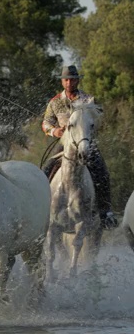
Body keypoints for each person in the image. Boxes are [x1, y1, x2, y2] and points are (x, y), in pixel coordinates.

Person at [41, 64, 117, 229]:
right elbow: (46, 123)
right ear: (62, 82)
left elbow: (99, 120)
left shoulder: (88, 100)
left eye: (72, 79)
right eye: (66, 79)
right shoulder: (54, 102)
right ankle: (40, 211)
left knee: (102, 172)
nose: (69, 82)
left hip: (86, 143)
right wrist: (55, 131)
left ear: (77, 80)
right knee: (44, 171)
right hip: (64, 145)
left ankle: (105, 213)